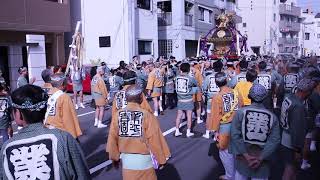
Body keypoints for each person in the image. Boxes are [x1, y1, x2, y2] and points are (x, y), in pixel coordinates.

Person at [0, 85, 91, 179]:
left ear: (18, 114)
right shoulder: (64, 139)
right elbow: (82, 175)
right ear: (45, 110)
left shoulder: (6, 148)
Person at [107, 84, 170, 180]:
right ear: (141, 97)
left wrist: (114, 158)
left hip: (127, 164)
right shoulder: (146, 115)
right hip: (145, 162)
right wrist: (161, 159)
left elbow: (112, 139)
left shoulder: (118, 115)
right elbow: (154, 139)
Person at [229, 84, 280, 180]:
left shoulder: (240, 113)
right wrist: (261, 158)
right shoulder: (272, 117)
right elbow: (274, 140)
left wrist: (246, 156)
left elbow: (235, 135)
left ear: (249, 97)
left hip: (243, 158)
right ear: (265, 98)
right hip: (262, 160)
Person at [280, 78, 317, 180]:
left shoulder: (289, 98)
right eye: (310, 91)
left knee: (290, 168)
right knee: (290, 169)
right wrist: (297, 149)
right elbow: (296, 130)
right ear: (306, 91)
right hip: (291, 142)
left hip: (284, 137)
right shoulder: (298, 106)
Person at [209, 72, 243, 180]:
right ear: (227, 80)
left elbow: (215, 116)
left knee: (225, 153)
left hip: (224, 127)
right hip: (237, 125)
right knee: (238, 152)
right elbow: (241, 107)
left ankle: (230, 175)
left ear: (216, 83)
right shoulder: (236, 92)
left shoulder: (217, 97)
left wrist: (215, 131)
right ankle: (238, 176)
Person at [44, 73, 82, 139]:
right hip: (60, 133)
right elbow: (68, 120)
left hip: (48, 131)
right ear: (62, 84)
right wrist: (73, 137)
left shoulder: (47, 94)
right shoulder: (64, 97)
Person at [175, 63, 198, 137]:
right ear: (188, 69)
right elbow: (196, 84)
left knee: (179, 116)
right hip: (188, 100)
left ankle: (177, 130)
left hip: (180, 99)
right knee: (189, 116)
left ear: (180, 69)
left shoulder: (177, 77)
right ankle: (188, 131)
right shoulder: (190, 78)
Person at [202, 60, 223, 138]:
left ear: (213, 68)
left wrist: (205, 95)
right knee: (220, 116)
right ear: (221, 68)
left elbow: (204, 88)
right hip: (221, 99)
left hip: (211, 100)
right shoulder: (224, 76)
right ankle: (216, 134)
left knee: (209, 116)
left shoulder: (208, 77)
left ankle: (207, 133)